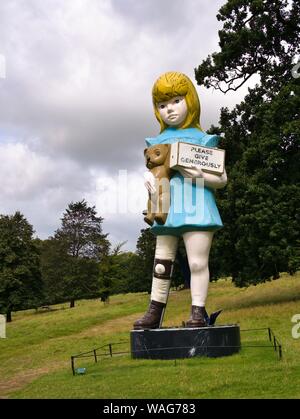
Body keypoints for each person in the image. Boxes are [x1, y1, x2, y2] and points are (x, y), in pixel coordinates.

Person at [133, 72, 227, 330]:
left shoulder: (204, 139)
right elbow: (154, 170)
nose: (169, 110)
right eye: (162, 105)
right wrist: (149, 182)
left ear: (190, 100)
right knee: (161, 263)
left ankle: (197, 312)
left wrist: (199, 175)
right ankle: (154, 312)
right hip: (166, 208)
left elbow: (222, 179)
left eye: (175, 101)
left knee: (197, 262)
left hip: (197, 205)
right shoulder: (156, 142)